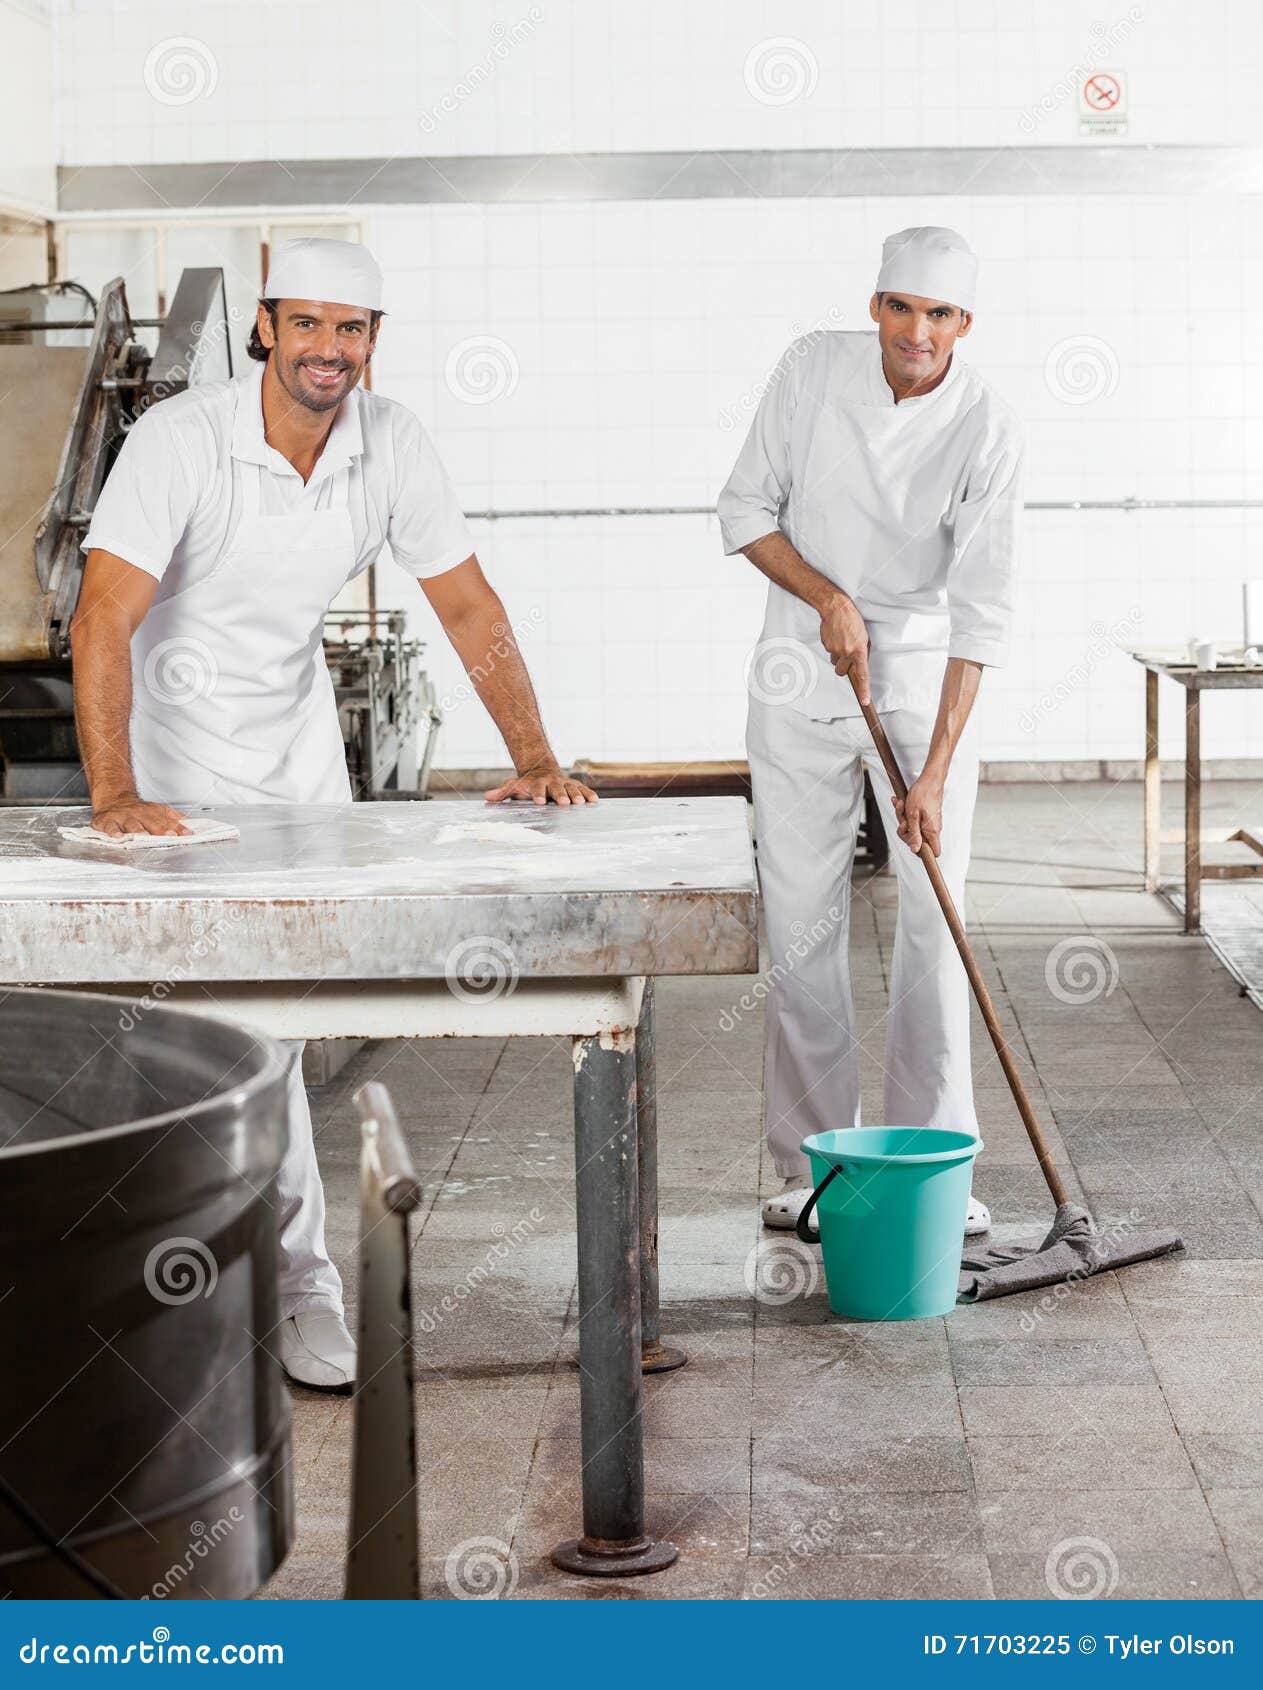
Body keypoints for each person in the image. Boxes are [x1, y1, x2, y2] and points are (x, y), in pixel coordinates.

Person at [72, 237, 595, 1389]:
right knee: (184, 1040)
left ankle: (301, 1291)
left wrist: (538, 755)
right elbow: (103, 617)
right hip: (172, 771)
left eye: (350, 330)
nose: (328, 350)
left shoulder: (390, 443)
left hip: (300, 766)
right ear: (265, 328)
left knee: (280, 1036)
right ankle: (179, 1284)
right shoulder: (182, 440)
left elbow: (466, 604)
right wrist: (115, 792)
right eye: (306, 325)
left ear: (372, 341)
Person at [717, 226, 1025, 1237]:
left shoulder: (987, 424)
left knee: (935, 926)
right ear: (876, 306)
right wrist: (825, 596)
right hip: (800, 665)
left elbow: (983, 614)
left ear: (964, 326)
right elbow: (745, 510)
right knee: (801, 922)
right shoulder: (811, 370)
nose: (917, 331)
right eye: (901, 308)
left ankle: (939, 1156)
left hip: (923, 680)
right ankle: (811, 1165)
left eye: (939, 315)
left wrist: (933, 772)